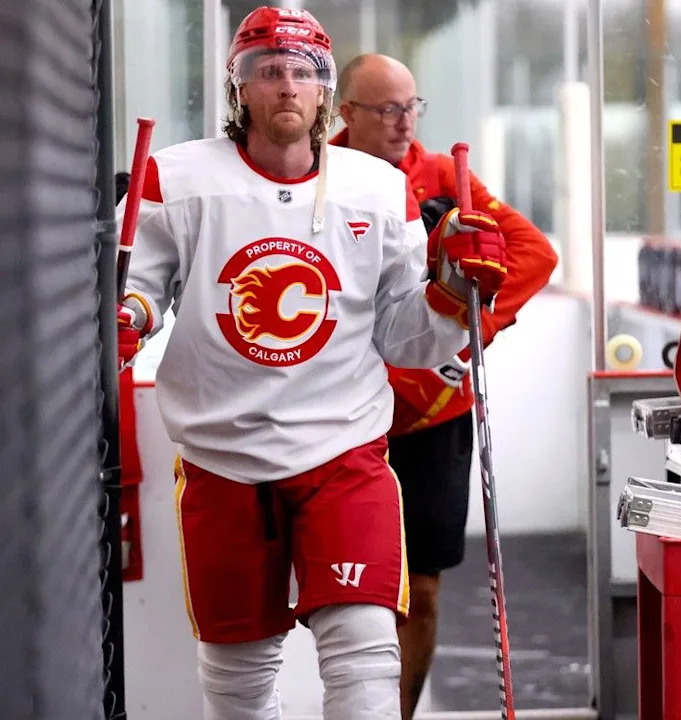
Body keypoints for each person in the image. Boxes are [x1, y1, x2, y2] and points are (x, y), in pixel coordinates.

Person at [114, 8, 508, 720]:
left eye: (302, 72)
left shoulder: (380, 189)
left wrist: (452, 292)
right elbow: (137, 291)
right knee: (238, 678)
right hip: (221, 456)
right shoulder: (176, 178)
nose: (287, 87)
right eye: (268, 71)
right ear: (240, 88)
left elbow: (405, 338)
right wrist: (124, 320)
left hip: (343, 452)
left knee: (363, 654)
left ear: (325, 91)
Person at [332, 53, 558, 719]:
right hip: (344, 414)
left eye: (413, 106)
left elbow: (532, 254)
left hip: (433, 413)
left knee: (422, 588)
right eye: (388, 110)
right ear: (346, 114)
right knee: (350, 591)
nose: (405, 122)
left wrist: (472, 330)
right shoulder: (317, 178)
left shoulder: (442, 178)